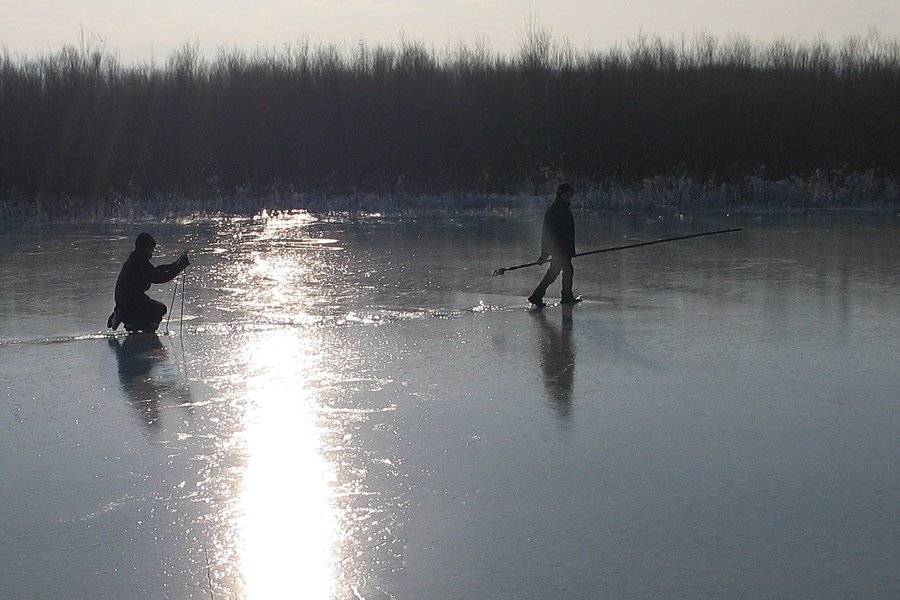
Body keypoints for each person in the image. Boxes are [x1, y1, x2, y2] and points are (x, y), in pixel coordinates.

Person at [107, 233, 189, 332]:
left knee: (152, 307)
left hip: (126, 299)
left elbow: (155, 270)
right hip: (130, 300)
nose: (152, 251)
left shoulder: (136, 259)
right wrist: (178, 268)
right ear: (144, 248)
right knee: (160, 309)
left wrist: (175, 265)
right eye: (151, 248)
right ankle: (133, 323)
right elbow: (158, 277)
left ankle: (127, 317)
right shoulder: (139, 262)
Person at [528, 183, 580, 307]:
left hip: (563, 250)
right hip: (559, 250)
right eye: (566, 194)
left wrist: (571, 250)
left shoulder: (562, 209)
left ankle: (537, 296)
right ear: (560, 195)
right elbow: (548, 234)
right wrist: (545, 254)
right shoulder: (556, 211)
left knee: (554, 272)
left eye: (570, 195)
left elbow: (568, 234)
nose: (569, 197)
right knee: (567, 270)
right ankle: (566, 296)